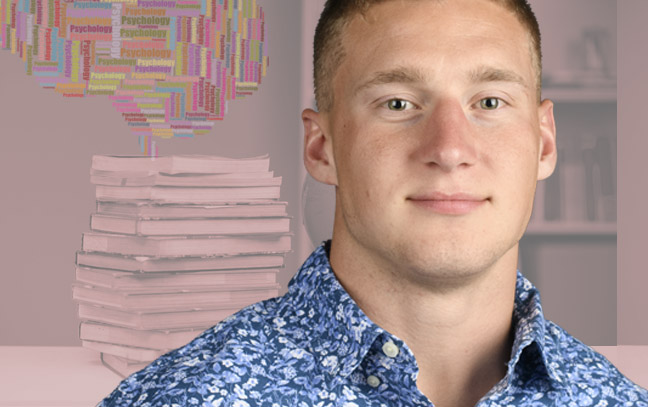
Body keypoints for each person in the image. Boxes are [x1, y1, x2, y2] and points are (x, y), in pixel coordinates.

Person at [98, 0, 648, 406]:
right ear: (322, 147)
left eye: (489, 101)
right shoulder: (176, 398)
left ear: (545, 142)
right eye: (398, 102)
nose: (450, 148)